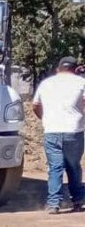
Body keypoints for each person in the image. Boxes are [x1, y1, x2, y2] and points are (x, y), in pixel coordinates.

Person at [32, 56, 85, 214]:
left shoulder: (46, 83)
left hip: (51, 131)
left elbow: (35, 105)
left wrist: (45, 119)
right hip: (74, 131)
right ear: (76, 70)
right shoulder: (81, 82)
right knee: (73, 167)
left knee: (55, 167)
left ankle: (54, 204)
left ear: (58, 69)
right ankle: (77, 200)